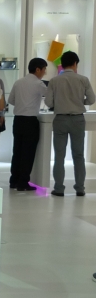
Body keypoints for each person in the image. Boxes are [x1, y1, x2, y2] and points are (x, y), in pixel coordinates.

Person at [46, 51, 96, 197]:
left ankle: (59, 188)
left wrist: (58, 103)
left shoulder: (54, 81)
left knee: (59, 155)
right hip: (78, 120)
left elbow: (48, 102)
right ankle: (80, 188)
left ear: (62, 64)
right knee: (78, 155)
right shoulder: (83, 79)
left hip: (60, 119)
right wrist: (80, 102)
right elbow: (92, 99)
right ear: (75, 64)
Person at [8, 58, 48, 191]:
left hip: (18, 120)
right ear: (38, 69)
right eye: (44, 69)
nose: (45, 72)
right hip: (30, 121)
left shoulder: (18, 82)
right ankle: (23, 182)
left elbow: (11, 100)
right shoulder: (39, 84)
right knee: (28, 153)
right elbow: (49, 99)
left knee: (17, 151)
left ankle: (14, 180)